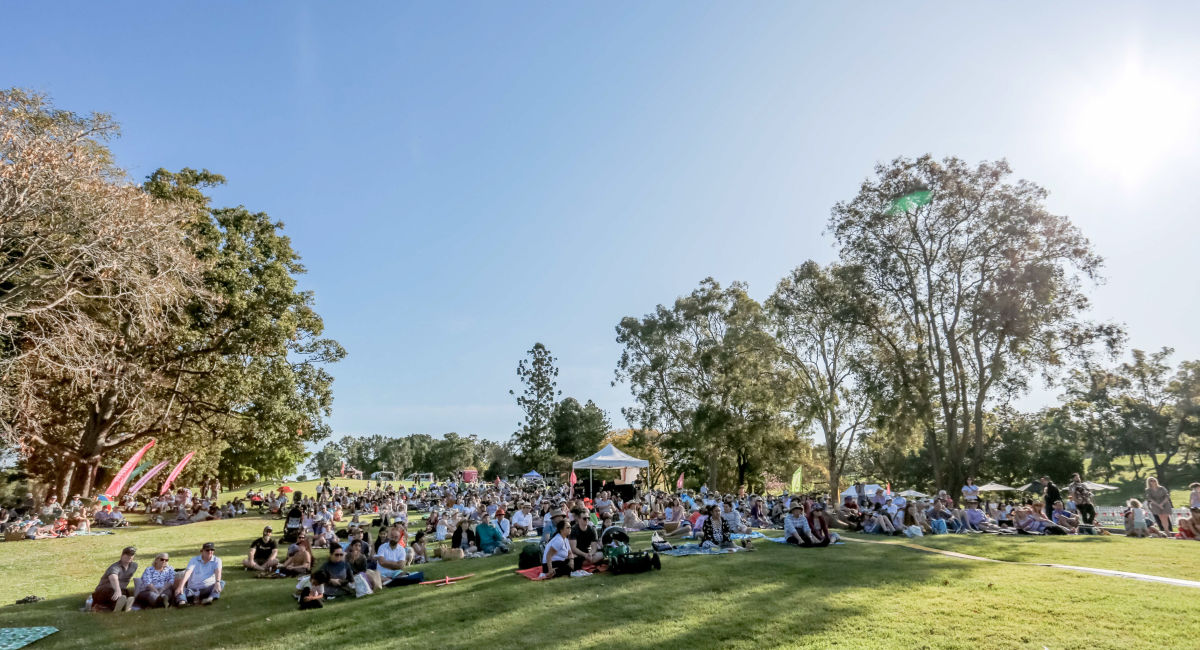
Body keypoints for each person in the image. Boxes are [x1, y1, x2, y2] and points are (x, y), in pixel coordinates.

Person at [92, 546, 138, 612]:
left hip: (121, 590)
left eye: (131, 555)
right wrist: (117, 590)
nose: (129, 556)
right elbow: (113, 577)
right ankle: (117, 606)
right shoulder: (115, 567)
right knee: (114, 595)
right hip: (103, 591)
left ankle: (124, 605)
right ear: (122, 555)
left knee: (126, 594)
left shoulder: (134, 566)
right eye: (127, 554)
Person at [569, 508, 602, 572]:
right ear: (579, 519)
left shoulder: (592, 530)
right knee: (573, 557)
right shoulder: (573, 530)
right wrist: (585, 555)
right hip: (577, 553)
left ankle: (583, 563)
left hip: (588, 553)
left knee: (601, 554)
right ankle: (588, 562)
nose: (587, 520)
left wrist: (590, 554)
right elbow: (573, 548)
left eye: (588, 518)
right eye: (584, 518)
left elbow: (594, 547)